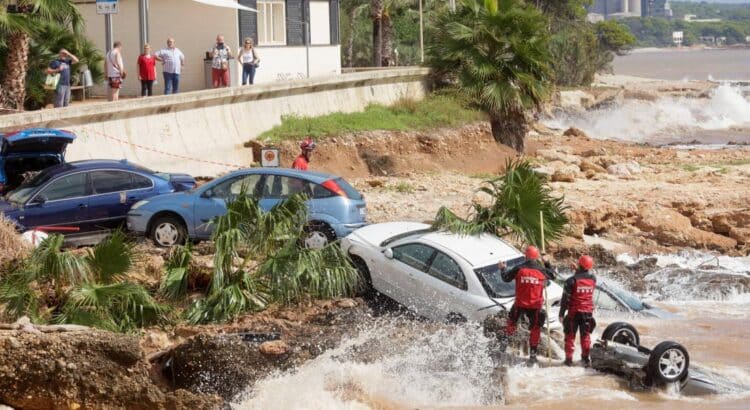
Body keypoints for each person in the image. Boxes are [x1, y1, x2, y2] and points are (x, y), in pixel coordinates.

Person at [499, 245, 556, 364]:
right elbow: (553, 275)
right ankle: (533, 356)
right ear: (537, 258)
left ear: (525, 256)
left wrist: (503, 268)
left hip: (520, 304)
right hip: (535, 306)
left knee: (511, 323)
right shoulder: (542, 270)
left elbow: (505, 278)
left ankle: (502, 348)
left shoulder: (519, 268)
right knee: (535, 329)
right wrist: (547, 263)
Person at [559, 255, 597, 367]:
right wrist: (578, 270)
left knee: (570, 336)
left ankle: (568, 360)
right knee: (585, 336)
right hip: (587, 312)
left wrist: (561, 313)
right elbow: (585, 276)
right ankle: (585, 360)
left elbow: (565, 299)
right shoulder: (593, 279)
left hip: (574, 312)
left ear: (579, 265)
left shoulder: (570, 281)